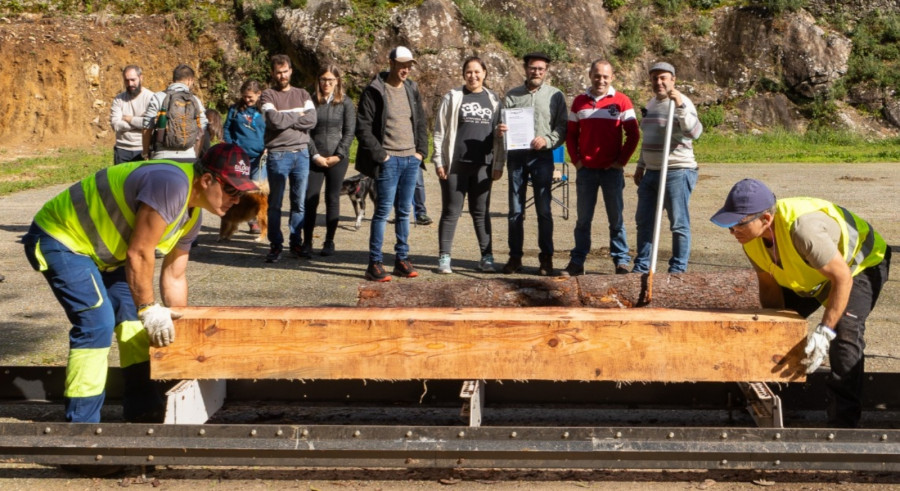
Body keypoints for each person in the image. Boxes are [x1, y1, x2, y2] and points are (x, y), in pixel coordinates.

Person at [22, 143, 258, 423]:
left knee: (134, 327)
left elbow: (175, 275)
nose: (236, 199)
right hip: (63, 239)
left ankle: (144, 415)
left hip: (105, 254)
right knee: (97, 324)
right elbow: (139, 253)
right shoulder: (170, 184)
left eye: (241, 192)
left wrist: (181, 330)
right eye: (232, 190)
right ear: (207, 180)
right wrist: (148, 308)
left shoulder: (191, 217)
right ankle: (81, 428)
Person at [711, 179, 890, 428]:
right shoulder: (750, 239)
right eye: (729, 226)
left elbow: (842, 279)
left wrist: (825, 331)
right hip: (815, 272)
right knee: (776, 327)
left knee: (845, 334)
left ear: (765, 219)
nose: (733, 231)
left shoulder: (804, 230)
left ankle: (843, 425)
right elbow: (770, 285)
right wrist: (774, 327)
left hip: (858, 267)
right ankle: (770, 402)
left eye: (739, 224)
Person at [355, 46, 428, 282]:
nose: (406, 69)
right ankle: (374, 263)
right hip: (388, 161)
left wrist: (420, 153)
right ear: (391, 63)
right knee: (383, 212)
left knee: (405, 211)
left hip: (410, 160)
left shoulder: (411, 88)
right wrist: (382, 156)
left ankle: (401, 260)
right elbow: (363, 128)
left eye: (409, 65)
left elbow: (420, 123)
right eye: (402, 64)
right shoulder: (375, 90)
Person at [561, 59, 640, 277]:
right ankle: (577, 262)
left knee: (616, 219)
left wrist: (621, 162)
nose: (601, 80)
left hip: (611, 172)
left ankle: (621, 261)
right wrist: (576, 161)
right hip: (586, 171)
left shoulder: (622, 101)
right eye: (597, 75)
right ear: (590, 75)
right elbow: (571, 135)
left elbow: (633, 134)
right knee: (583, 220)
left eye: (605, 76)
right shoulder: (579, 102)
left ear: (612, 77)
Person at [494, 52, 567, 276]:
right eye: (533, 68)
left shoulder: (555, 96)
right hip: (517, 157)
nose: (536, 72)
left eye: (541, 69)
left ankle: (546, 260)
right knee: (515, 210)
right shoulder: (512, 95)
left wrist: (547, 140)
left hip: (542, 157)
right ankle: (515, 257)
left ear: (546, 71)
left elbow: (562, 128)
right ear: (525, 69)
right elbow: (500, 125)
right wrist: (501, 130)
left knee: (544, 210)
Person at [432, 56, 501, 274]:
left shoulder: (494, 100)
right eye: (469, 72)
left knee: (481, 212)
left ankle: (486, 257)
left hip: (483, 165)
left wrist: (499, 163)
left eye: (477, 72)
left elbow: (499, 135)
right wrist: (439, 159)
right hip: (455, 164)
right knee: (451, 211)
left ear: (485, 73)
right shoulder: (453, 97)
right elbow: (439, 131)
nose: (473, 76)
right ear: (464, 74)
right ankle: (444, 257)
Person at [632, 61, 703, 274]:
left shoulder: (684, 102)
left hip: (677, 171)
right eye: (655, 78)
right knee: (644, 222)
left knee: (678, 223)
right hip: (652, 172)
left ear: (673, 79)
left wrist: (680, 105)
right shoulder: (652, 103)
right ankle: (642, 267)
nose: (659, 82)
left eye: (663, 78)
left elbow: (694, 133)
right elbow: (648, 138)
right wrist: (641, 165)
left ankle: (677, 271)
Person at [260, 54, 317, 263]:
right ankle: (276, 245)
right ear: (273, 73)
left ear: (291, 71)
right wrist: (297, 116)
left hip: (301, 154)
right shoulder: (267, 95)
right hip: (278, 155)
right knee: (275, 204)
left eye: (285, 71)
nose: (282, 75)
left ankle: (296, 243)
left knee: (298, 203)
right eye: (278, 72)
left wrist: (287, 119)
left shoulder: (302, 94)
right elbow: (273, 121)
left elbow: (312, 120)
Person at [299, 65, 356, 257]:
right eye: (323, 79)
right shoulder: (310, 101)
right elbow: (305, 131)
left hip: (337, 158)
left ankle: (329, 241)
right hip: (314, 157)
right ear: (318, 80)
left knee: (332, 199)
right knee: (310, 198)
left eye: (331, 80)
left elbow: (349, 132)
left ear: (337, 81)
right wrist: (315, 155)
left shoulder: (345, 103)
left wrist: (338, 155)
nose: (327, 83)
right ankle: (306, 242)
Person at [224, 80, 267, 234]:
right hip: (239, 157)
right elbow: (227, 129)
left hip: (260, 158)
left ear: (258, 94)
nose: (247, 100)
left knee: (256, 192)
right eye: (244, 97)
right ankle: (237, 220)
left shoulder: (265, 111)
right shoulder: (235, 110)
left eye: (250, 97)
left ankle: (255, 220)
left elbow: (272, 130)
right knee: (239, 190)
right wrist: (231, 146)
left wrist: (268, 146)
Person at [142, 64, 209, 163]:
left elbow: (147, 127)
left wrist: (145, 152)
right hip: (188, 156)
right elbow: (202, 130)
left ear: (174, 79)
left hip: (162, 156)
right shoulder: (195, 100)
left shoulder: (158, 97)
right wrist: (195, 155)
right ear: (190, 80)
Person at [109, 65, 154, 164]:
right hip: (122, 150)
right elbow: (115, 125)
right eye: (126, 80)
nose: (130, 84)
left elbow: (152, 123)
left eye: (133, 80)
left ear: (141, 78)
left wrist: (130, 119)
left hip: (143, 149)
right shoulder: (118, 99)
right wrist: (140, 122)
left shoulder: (151, 98)